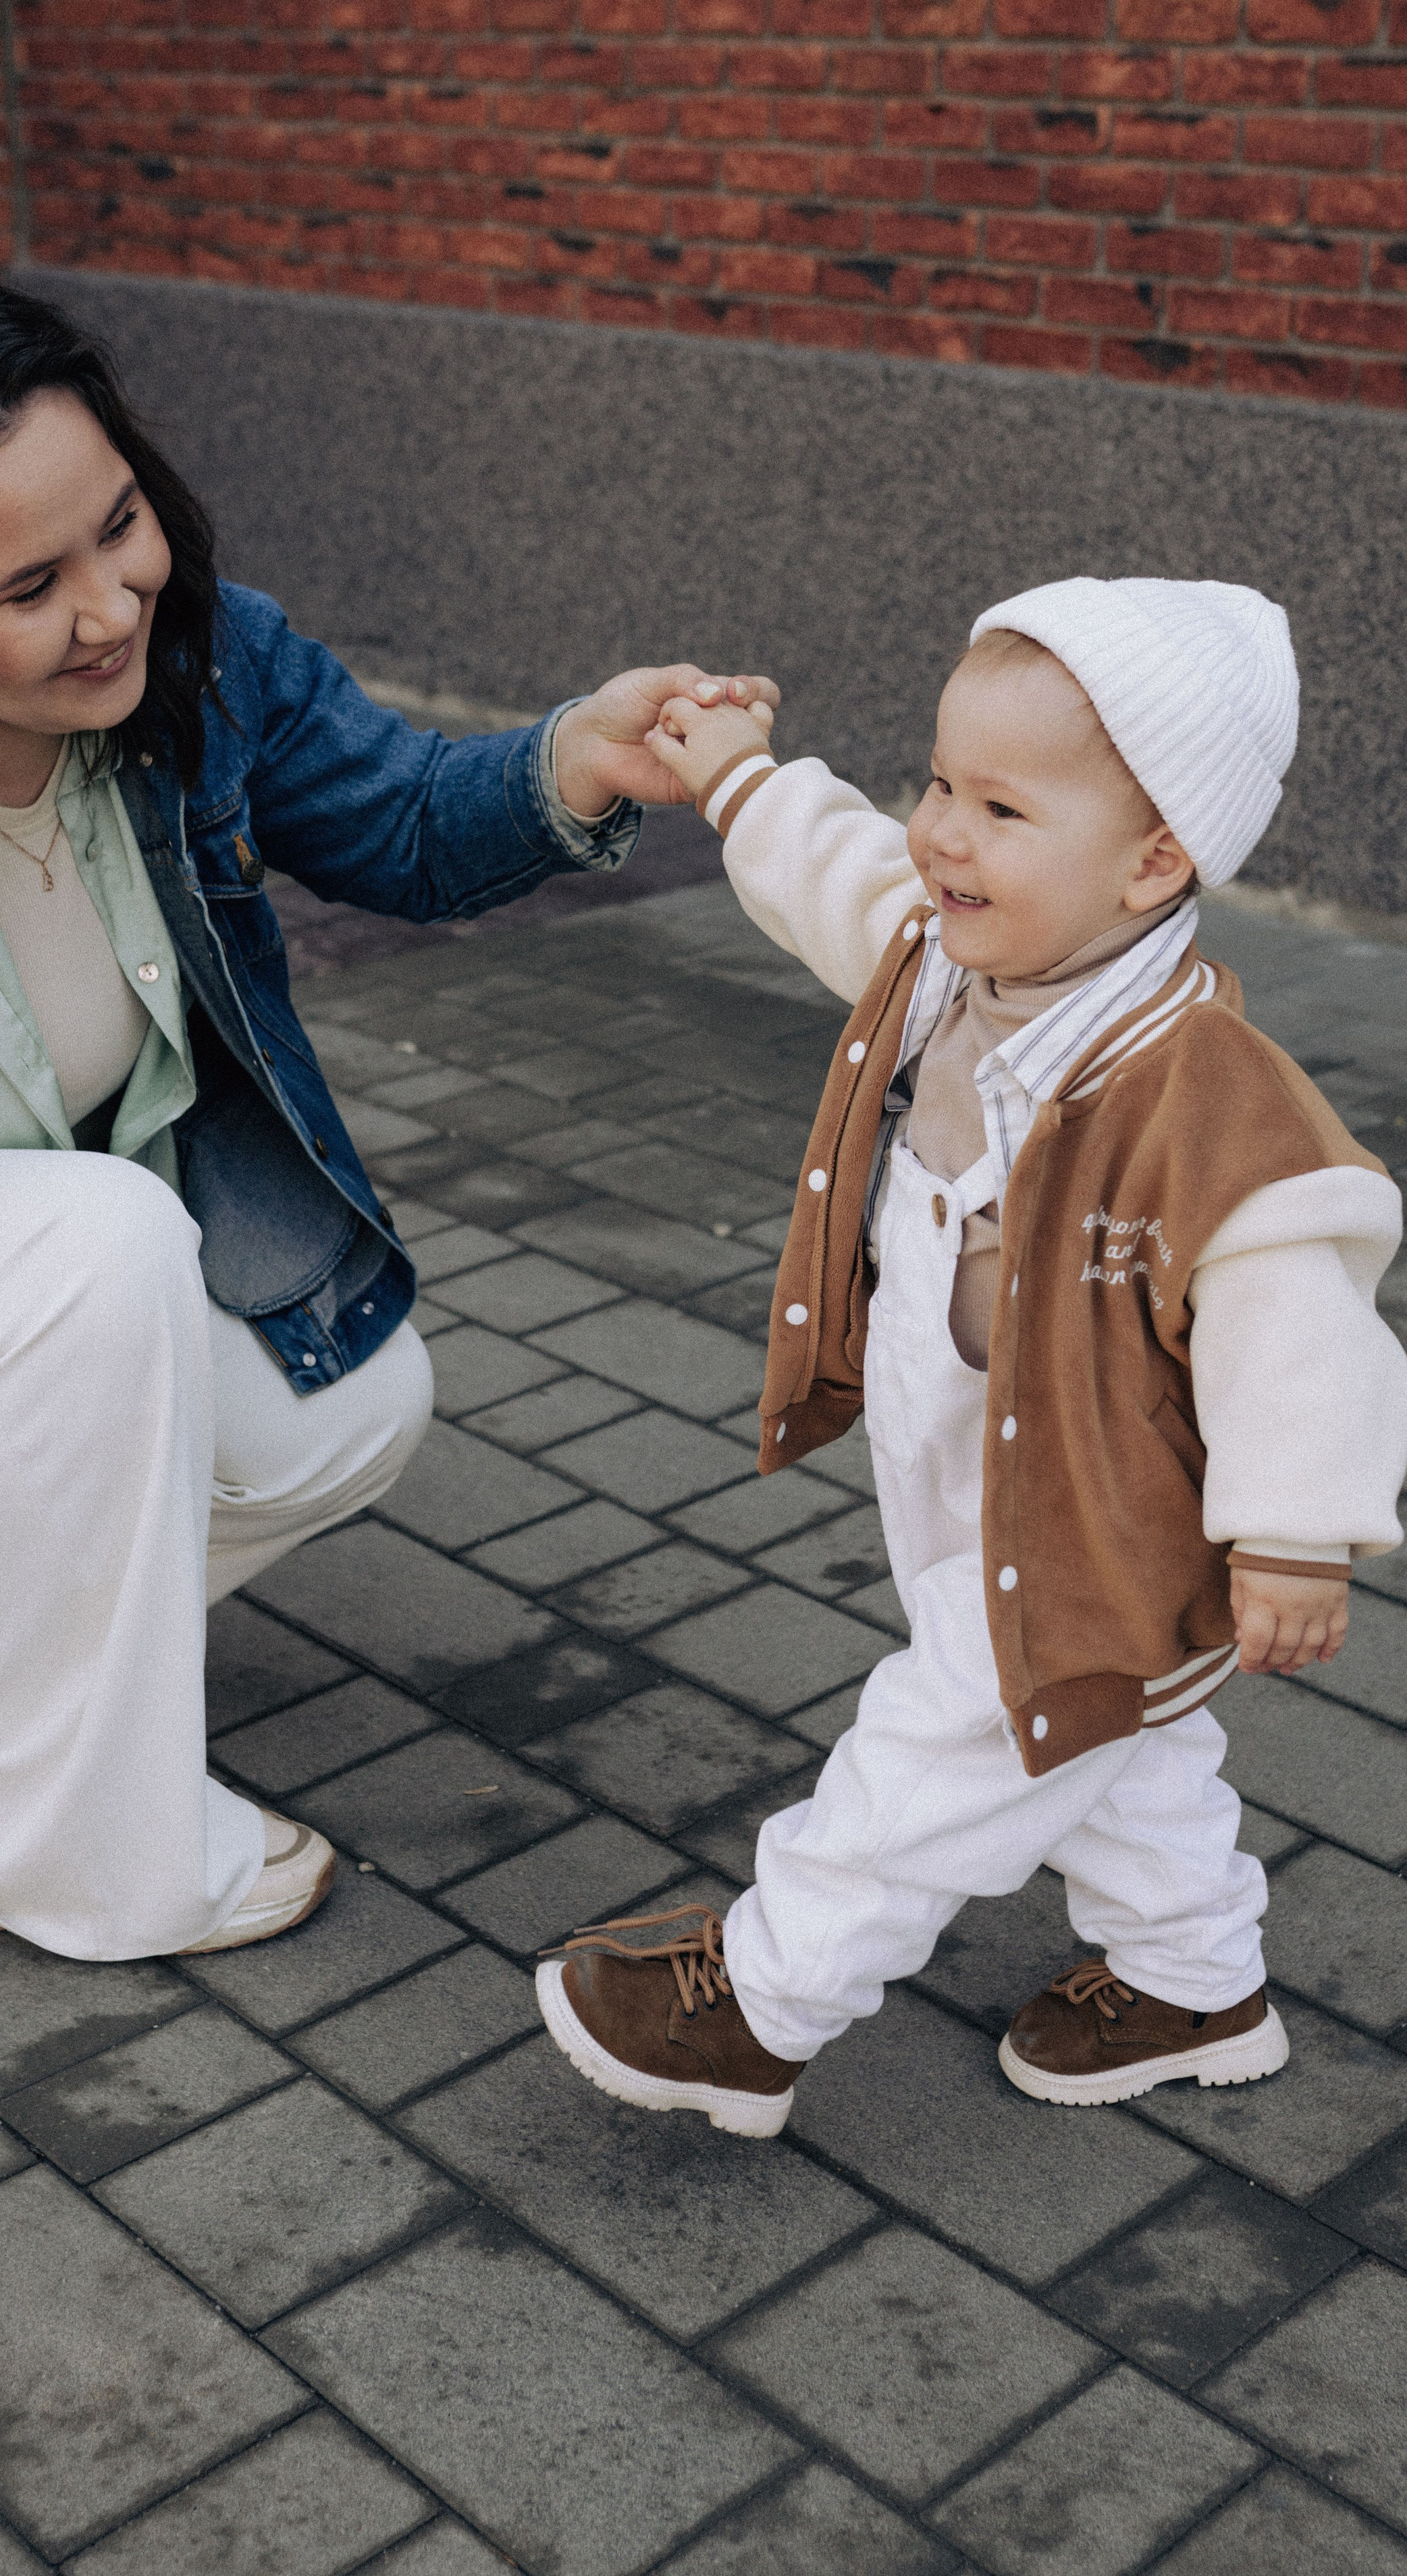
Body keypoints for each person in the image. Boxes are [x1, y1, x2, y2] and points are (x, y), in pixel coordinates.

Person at [0, 259, 778, 1964]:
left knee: (344, 1400)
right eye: (30, 584)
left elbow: (400, 820)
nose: (110, 605)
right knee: (96, 1239)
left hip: (3, 1323)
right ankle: (39, 1846)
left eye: (118, 525)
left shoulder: (202, 667)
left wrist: (575, 757)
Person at [535, 576, 1407, 2137]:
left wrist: (1292, 1533)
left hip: (1097, 1520)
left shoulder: (1204, 1099)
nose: (938, 833)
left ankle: (761, 2000)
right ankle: (1194, 1981)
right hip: (963, 1465)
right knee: (1109, 1739)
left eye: (999, 808)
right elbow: (835, 870)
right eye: (938, 782)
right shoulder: (950, 957)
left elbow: (1302, 1324)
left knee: (946, 1743)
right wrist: (737, 778)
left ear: (1152, 860)